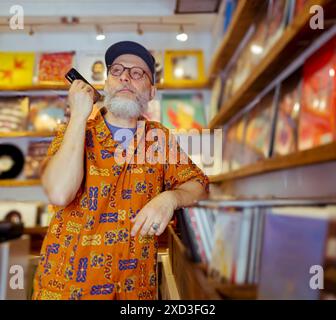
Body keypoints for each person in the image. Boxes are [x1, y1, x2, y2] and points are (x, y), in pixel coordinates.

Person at [32, 41, 209, 300]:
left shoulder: (157, 137)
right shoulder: (74, 131)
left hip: (133, 292)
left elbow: (199, 186)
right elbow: (59, 193)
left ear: (151, 91)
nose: (125, 76)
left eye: (137, 73)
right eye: (116, 70)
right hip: (67, 289)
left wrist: (170, 198)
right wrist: (79, 116)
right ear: (106, 83)